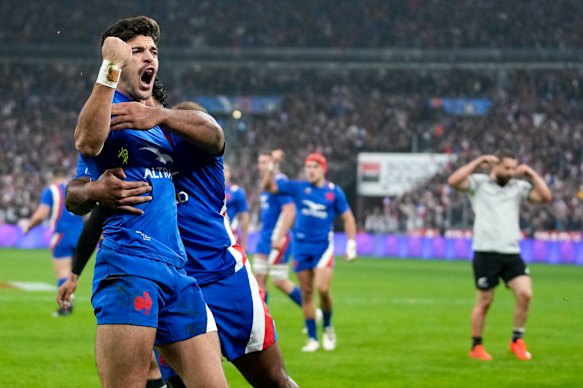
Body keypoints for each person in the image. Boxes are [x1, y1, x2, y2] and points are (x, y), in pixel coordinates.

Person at [60, 90, 297, 386]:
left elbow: (213, 132)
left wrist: (164, 116)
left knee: (273, 379)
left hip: (224, 279)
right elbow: (98, 215)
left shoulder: (205, 155)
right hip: (174, 284)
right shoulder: (145, 160)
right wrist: (75, 271)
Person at [65, 16, 227, 387]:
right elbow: (86, 152)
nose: (149, 57)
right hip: (129, 266)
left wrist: (158, 115)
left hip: (177, 271)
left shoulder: (154, 121)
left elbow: (216, 138)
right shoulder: (110, 110)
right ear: (120, 61)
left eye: (153, 51)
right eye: (137, 51)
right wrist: (109, 67)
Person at [447, 150, 552, 361]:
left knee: (525, 294)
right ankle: (476, 346)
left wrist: (531, 174)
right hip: (486, 251)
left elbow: (545, 197)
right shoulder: (479, 184)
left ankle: (517, 341)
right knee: (485, 301)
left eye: (514, 168)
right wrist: (478, 161)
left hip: (511, 251)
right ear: (494, 166)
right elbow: (453, 181)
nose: (511, 172)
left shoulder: (517, 187)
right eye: (507, 167)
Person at [263, 151, 358, 352]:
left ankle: (328, 327)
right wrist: (272, 166)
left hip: (323, 247)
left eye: (315, 167)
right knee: (306, 293)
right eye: (308, 167)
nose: (311, 171)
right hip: (301, 247)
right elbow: (268, 187)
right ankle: (313, 338)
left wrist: (351, 245)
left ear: (323, 169)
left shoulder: (334, 192)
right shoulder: (299, 188)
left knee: (322, 289)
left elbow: (348, 218)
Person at [23, 167, 84, 317]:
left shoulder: (52, 190)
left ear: (53, 176)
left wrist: (29, 226)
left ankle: (66, 306)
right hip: (81, 235)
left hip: (62, 235)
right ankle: (69, 302)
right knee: (73, 273)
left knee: (63, 273)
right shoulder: (77, 188)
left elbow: (42, 214)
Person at [254, 150, 303, 309]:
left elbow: (290, 209)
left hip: (276, 237)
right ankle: (263, 324)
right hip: (265, 237)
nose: (261, 166)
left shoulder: (280, 181)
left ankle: (312, 310)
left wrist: (279, 236)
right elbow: (265, 185)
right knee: (259, 281)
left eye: (265, 162)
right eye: (259, 162)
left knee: (279, 281)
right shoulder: (266, 183)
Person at [224, 163, 250, 249]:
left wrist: (244, 241)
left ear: (230, 173)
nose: (223, 172)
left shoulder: (237, 191)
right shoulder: (209, 190)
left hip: (230, 234)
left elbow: (245, 216)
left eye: (226, 170)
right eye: (221, 169)